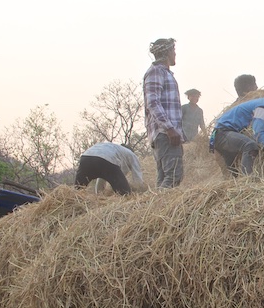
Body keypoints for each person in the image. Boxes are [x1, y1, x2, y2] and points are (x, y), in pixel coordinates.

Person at [212, 74, 264, 175]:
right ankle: (247, 179)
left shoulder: (262, 103)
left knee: (234, 174)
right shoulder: (262, 107)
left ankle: (239, 180)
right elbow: (258, 135)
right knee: (250, 146)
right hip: (222, 133)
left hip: (221, 134)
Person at [143, 37, 185, 188]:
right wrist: (169, 128)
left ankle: (156, 202)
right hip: (165, 134)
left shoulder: (165, 73)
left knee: (164, 178)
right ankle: (160, 202)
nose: (175, 54)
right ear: (167, 52)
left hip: (164, 134)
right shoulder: (156, 71)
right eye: (173, 50)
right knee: (173, 176)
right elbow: (153, 103)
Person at [74, 142, 144, 195]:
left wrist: (98, 194)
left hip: (86, 157)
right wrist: (140, 190)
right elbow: (137, 174)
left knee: (77, 192)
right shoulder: (131, 154)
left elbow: (102, 176)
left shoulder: (112, 148)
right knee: (125, 193)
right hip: (105, 159)